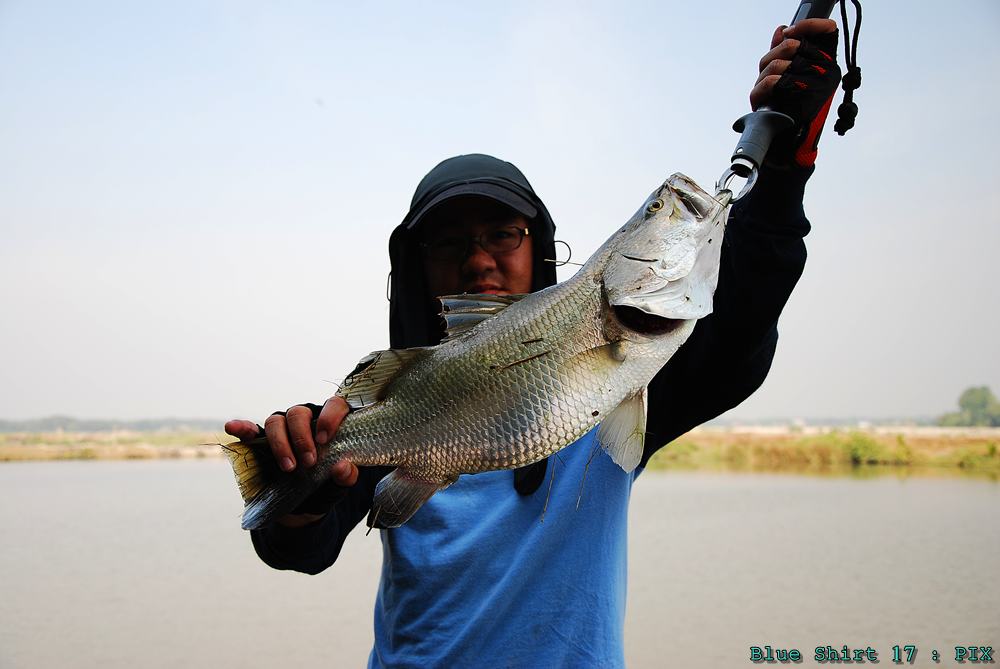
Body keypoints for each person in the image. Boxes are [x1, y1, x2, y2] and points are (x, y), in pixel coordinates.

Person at [225, 20, 842, 668]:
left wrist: (784, 169)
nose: (478, 260)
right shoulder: (400, 405)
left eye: (502, 233)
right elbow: (299, 547)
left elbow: (739, 332)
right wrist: (302, 489)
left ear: (540, 247)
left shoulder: (621, 388)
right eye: (448, 241)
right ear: (415, 269)